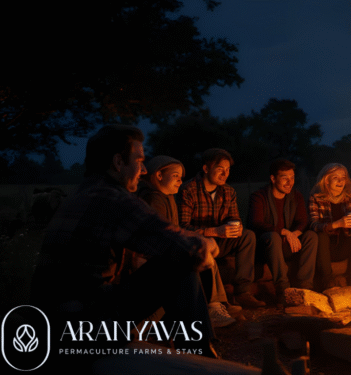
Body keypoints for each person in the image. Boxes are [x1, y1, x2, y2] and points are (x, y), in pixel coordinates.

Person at [31, 125, 219, 363]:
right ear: (118, 162)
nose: (143, 170)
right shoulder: (114, 199)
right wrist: (208, 242)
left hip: (46, 321)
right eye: (139, 161)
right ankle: (202, 361)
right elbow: (189, 250)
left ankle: (192, 351)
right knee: (179, 266)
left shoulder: (78, 195)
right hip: (83, 325)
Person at [136, 155, 238, 327]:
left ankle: (215, 304)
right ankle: (210, 309)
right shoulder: (154, 199)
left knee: (205, 251)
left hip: (165, 251)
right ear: (159, 175)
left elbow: (174, 230)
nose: (180, 180)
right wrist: (197, 241)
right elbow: (163, 234)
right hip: (153, 257)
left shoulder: (167, 197)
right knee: (199, 256)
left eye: (181, 177)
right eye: (175, 176)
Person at [178, 148, 263, 308]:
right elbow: (183, 227)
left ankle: (243, 292)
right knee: (205, 244)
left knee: (247, 236)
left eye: (228, 169)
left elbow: (234, 217)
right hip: (198, 242)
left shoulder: (228, 191)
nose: (225, 174)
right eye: (220, 169)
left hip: (221, 241)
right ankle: (216, 303)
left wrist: (236, 226)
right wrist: (214, 231)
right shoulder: (188, 190)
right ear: (206, 168)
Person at [247, 159, 318, 307]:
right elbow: (257, 223)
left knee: (311, 236)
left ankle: (305, 288)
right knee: (273, 236)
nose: (289, 182)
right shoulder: (259, 197)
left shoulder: (296, 196)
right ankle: (283, 290)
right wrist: (284, 232)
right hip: (266, 247)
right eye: (285, 178)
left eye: (292, 177)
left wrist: (294, 234)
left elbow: (303, 221)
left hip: (289, 245)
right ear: (273, 179)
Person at [309, 163, 351, 290]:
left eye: (343, 178)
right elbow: (313, 225)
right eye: (336, 178)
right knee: (321, 235)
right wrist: (337, 224)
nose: (340, 181)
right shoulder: (316, 198)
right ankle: (328, 281)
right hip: (325, 248)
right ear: (326, 181)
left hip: (344, 245)